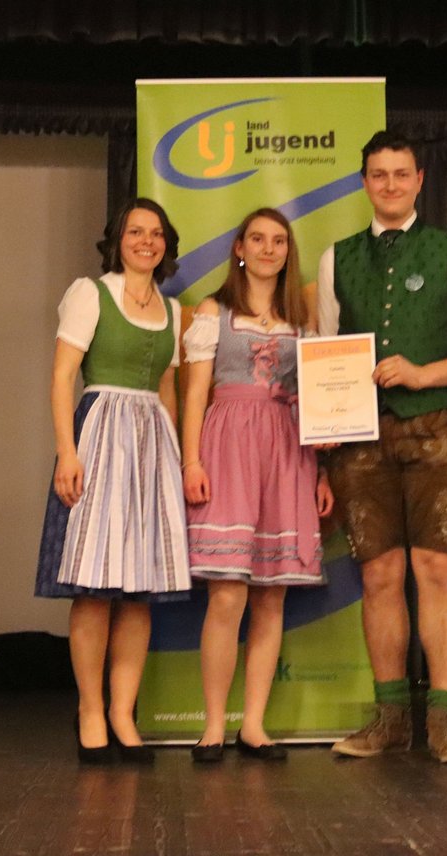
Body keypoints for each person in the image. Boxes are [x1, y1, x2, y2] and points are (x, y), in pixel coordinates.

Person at [316, 131, 447, 765]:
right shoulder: (336, 258)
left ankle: (446, 720)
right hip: (360, 439)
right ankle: (391, 718)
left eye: (401, 174)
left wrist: (424, 374)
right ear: (364, 182)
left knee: (439, 572)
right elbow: (324, 357)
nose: (390, 185)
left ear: (420, 180)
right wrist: (323, 449)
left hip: (439, 430)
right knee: (378, 576)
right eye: (379, 175)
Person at [34, 198, 190, 765]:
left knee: (139, 592)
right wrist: (66, 452)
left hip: (152, 444)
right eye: (135, 232)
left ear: (166, 244)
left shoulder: (173, 311)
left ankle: (124, 713)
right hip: (100, 434)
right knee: (95, 588)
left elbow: (167, 389)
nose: (147, 241)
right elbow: (62, 377)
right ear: (117, 241)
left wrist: (174, 458)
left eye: (156, 233)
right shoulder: (90, 293)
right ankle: (90, 711)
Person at [180, 208, 335, 763]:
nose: (269, 249)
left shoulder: (302, 320)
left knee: (272, 596)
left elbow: (318, 401)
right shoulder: (214, 311)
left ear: (288, 251)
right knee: (227, 593)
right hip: (228, 446)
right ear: (240, 249)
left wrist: (322, 470)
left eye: (279, 241)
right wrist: (191, 461)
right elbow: (194, 392)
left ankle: (253, 725)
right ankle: (212, 726)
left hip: (287, 448)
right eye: (258, 239)